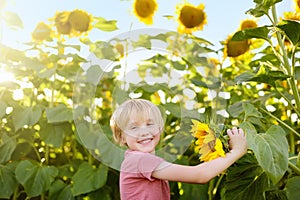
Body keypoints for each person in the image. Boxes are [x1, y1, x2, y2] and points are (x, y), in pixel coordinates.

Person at [110, 99, 247, 200]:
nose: (144, 132)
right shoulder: (140, 160)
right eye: (134, 128)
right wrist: (236, 151)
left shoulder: (139, 160)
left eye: (150, 124)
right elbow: (200, 175)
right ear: (121, 137)